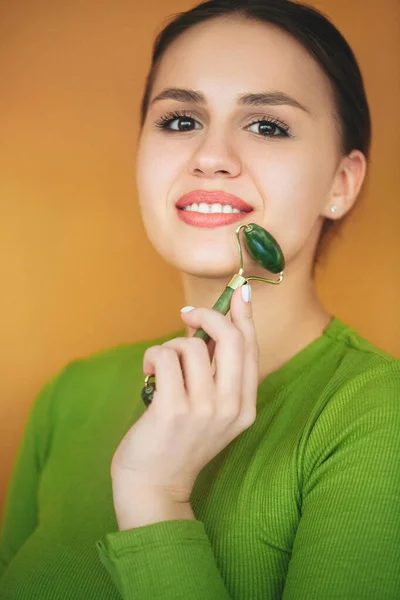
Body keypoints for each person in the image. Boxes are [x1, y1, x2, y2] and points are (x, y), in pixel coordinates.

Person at [1, 0, 399, 598]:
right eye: (180, 121)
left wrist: (155, 497)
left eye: (267, 125)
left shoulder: (377, 418)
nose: (210, 157)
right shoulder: (69, 399)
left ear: (341, 183)